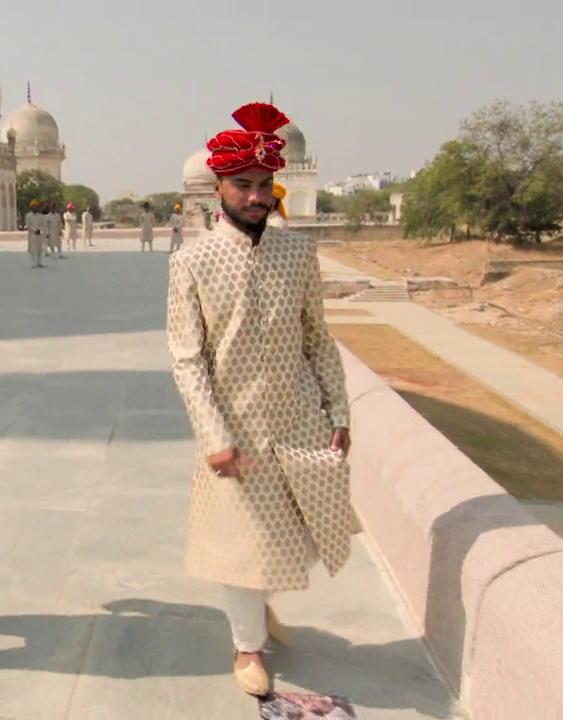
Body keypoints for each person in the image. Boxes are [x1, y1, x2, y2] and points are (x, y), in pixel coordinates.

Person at [165, 102, 356, 698]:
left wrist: (339, 411)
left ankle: (257, 611)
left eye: (263, 185)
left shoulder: (297, 253)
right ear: (218, 190)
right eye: (241, 185)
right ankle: (247, 645)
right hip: (235, 430)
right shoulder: (192, 261)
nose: (254, 196)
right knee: (242, 541)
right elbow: (188, 359)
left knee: (289, 530)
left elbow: (317, 338)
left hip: (296, 421)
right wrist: (214, 437)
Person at [24, 200, 45, 268]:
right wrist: (34, 230)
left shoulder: (41, 216)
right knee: (32, 249)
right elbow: (28, 225)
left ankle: (39, 262)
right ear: (31, 207)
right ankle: (33, 263)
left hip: (39, 234)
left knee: (40, 248)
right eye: (33, 206)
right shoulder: (28, 216)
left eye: (36, 206)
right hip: (32, 234)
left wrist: (39, 230)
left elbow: (42, 224)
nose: (35, 207)